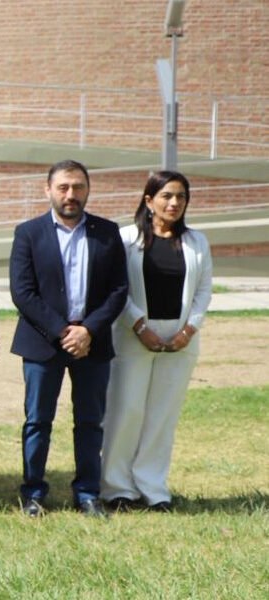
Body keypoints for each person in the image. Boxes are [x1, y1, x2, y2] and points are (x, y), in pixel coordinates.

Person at [10, 159, 128, 519]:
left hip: (92, 343)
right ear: (48, 190)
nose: (70, 194)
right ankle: (33, 493)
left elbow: (119, 290)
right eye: (63, 187)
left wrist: (88, 330)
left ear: (88, 190)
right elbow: (22, 292)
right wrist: (64, 331)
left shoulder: (107, 232)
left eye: (78, 187)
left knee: (90, 421)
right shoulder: (28, 233)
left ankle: (87, 494)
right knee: (37, 421)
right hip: (43, 342)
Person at [102, 171, 211, 513]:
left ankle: (152, 488)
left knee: (162, 416)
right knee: (126, 411)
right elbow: (117, 288)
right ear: (149, 201)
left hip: (180, 341)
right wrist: (139, 325)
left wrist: (188, 331)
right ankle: (117, 488)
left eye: (181, 196)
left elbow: (204, 290)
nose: (174, 203)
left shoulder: (197, 242)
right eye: (166, 196)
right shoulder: (126, 238)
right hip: (132, 337)